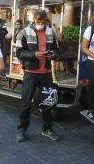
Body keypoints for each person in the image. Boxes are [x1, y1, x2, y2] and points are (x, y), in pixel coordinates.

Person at [15, 10, 61, 142]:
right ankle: (22, 129)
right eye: (37, 22)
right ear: (33, 20)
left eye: (42, 22)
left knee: (47, 102)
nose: (39, 24)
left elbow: (57, 49)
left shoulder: (50, 31)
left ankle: (47, 129)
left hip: (46, 73)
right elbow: (19, 53)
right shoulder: (24, 32)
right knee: (26, 103)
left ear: (46, 20)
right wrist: (34, 55)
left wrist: (54, 55)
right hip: (31, 73)